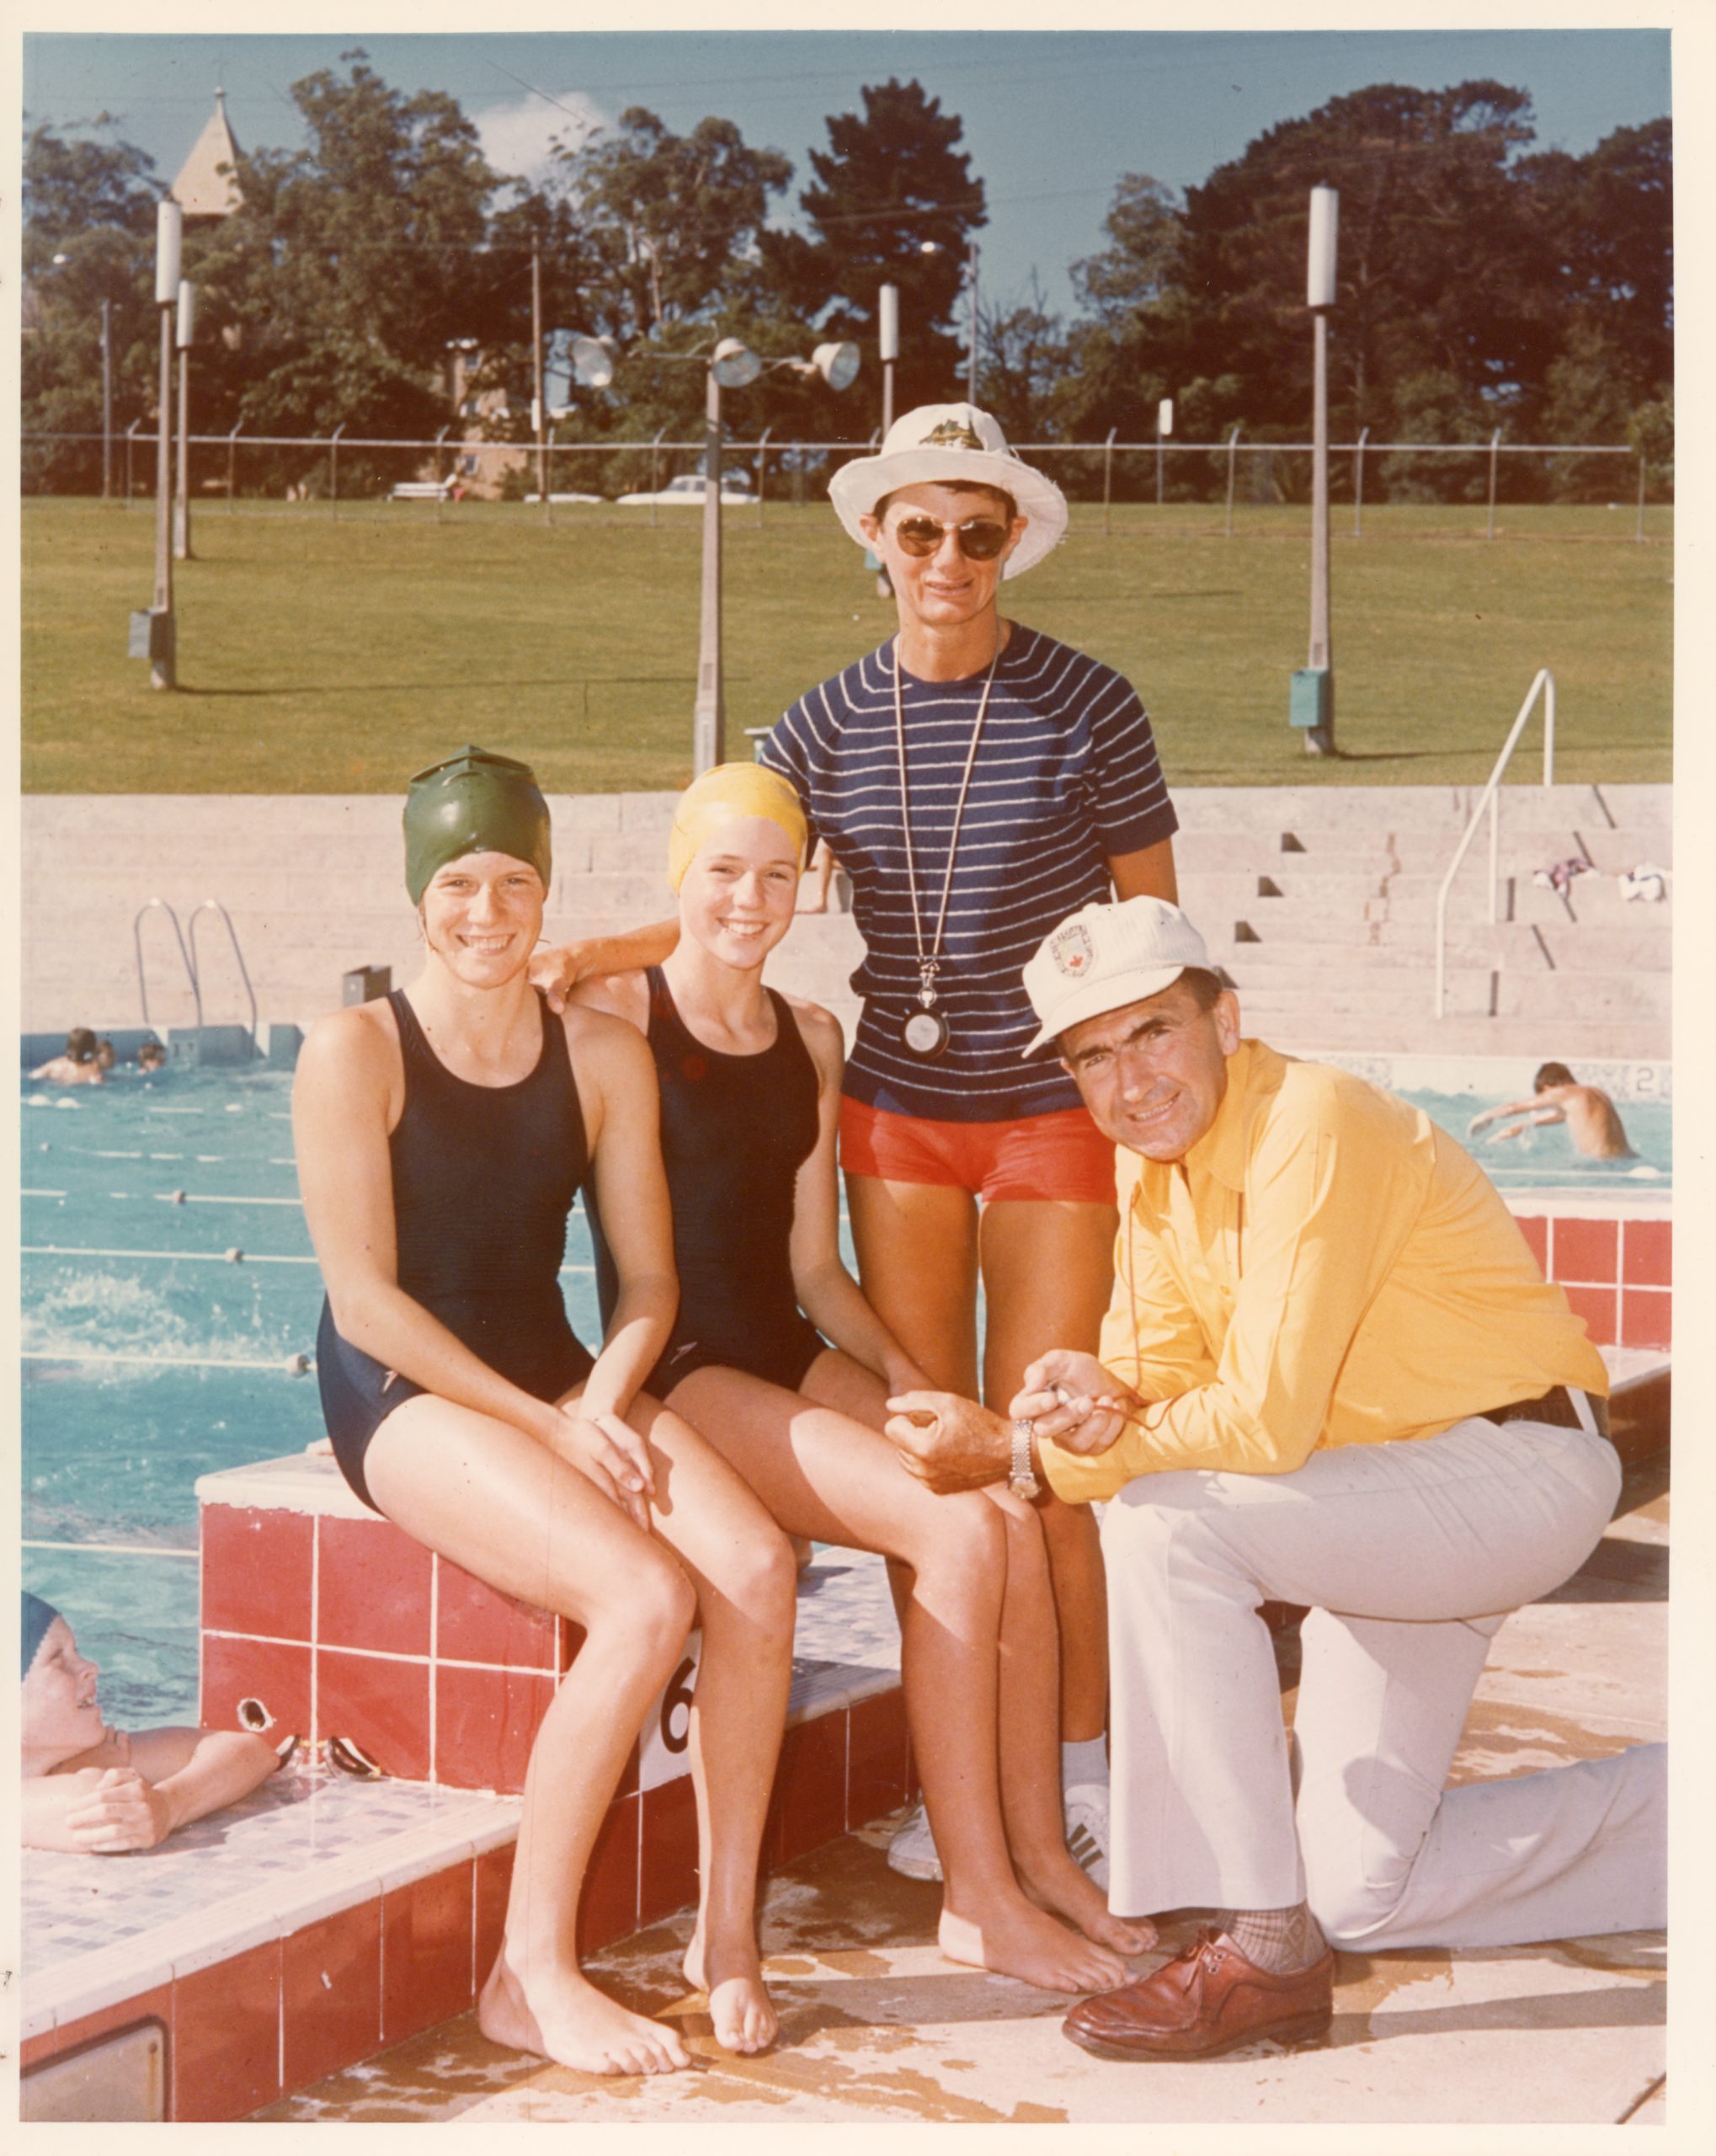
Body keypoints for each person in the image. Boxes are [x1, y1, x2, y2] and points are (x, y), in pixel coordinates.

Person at [536, 403, 1181, 1871]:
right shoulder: (821, 720)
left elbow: (1155, 933)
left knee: (1038, 1448)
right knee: (926, 1448)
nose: (945, 556)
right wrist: (593, 953)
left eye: (976, 530)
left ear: (1011, 540)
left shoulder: (1090, 703)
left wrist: (1178, 1115)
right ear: (873, 543)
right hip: (894, 1111)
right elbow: (736, 889)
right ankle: (958, 1780)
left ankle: (1084, 1778)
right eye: (917, 530)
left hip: (1042, 1118)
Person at [884, 895, 1668, 2063]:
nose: (1129, 1079)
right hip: (1382, 1510)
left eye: (1152, 1031)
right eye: (1093, 1056)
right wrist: (1088, 1393)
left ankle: (1255, 1945)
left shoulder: (1313, 1118)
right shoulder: (1158, 1173)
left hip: (1512, 1470)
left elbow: (1254, 1418)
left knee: (1160, 1525)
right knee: (1361, 1892)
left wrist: (1014, 1456)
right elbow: (1167, 1379)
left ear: (1224, 1018)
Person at [573, 763, 1148, 1995]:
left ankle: (1040, 1857)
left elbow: (812, 1268)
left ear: (807, 890)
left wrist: (916, 1383)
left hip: (781, 1338)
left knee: (1001, 1494)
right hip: (678, 1361)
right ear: (679, 873)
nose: (749, 898)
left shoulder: (810, 1036)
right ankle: (973, 1899)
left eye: (776, 874)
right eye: (721, 870)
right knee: (948, 1532)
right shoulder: (615, 1012)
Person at [295, 745, 797, 2076]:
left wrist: (608, 1400)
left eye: (514, 880)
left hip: (558, 1363)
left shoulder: (599, 1055)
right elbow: (362, 1304)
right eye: (457, 880)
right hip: (403, 1384)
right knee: (643, 1599)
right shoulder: (355, 1051)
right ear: (418, 895)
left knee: (752, 1564)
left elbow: (647, 1281)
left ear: (546, 890)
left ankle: (726, 1932)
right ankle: (529, 1974)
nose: (486, 910)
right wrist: (543, 1421)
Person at [22, 1592, 281, 1852]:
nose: (91, 1666)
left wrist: (170, 1804)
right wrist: (85, 1772)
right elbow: (97, 1802)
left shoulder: (82, 1754)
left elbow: (252, 1751)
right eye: (58, 1660)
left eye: (75, 1651)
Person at [1468, 1061, 1635, 1160]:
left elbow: (1513, 1108)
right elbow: (1558, 1116)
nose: (1546, 1102)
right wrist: (1517, 1128)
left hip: (1600, 1164)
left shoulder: (1563, 1092)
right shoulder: (1595, 1094)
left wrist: (1485, 1116)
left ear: (1550, 1086)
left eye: (1544, 1095)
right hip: (1627, 1159)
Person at [32, 1027, 105, 1086]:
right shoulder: (92, 1070)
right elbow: (97, 1085)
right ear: (91, 1048)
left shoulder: (54, 1065)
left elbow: (33, 1076)